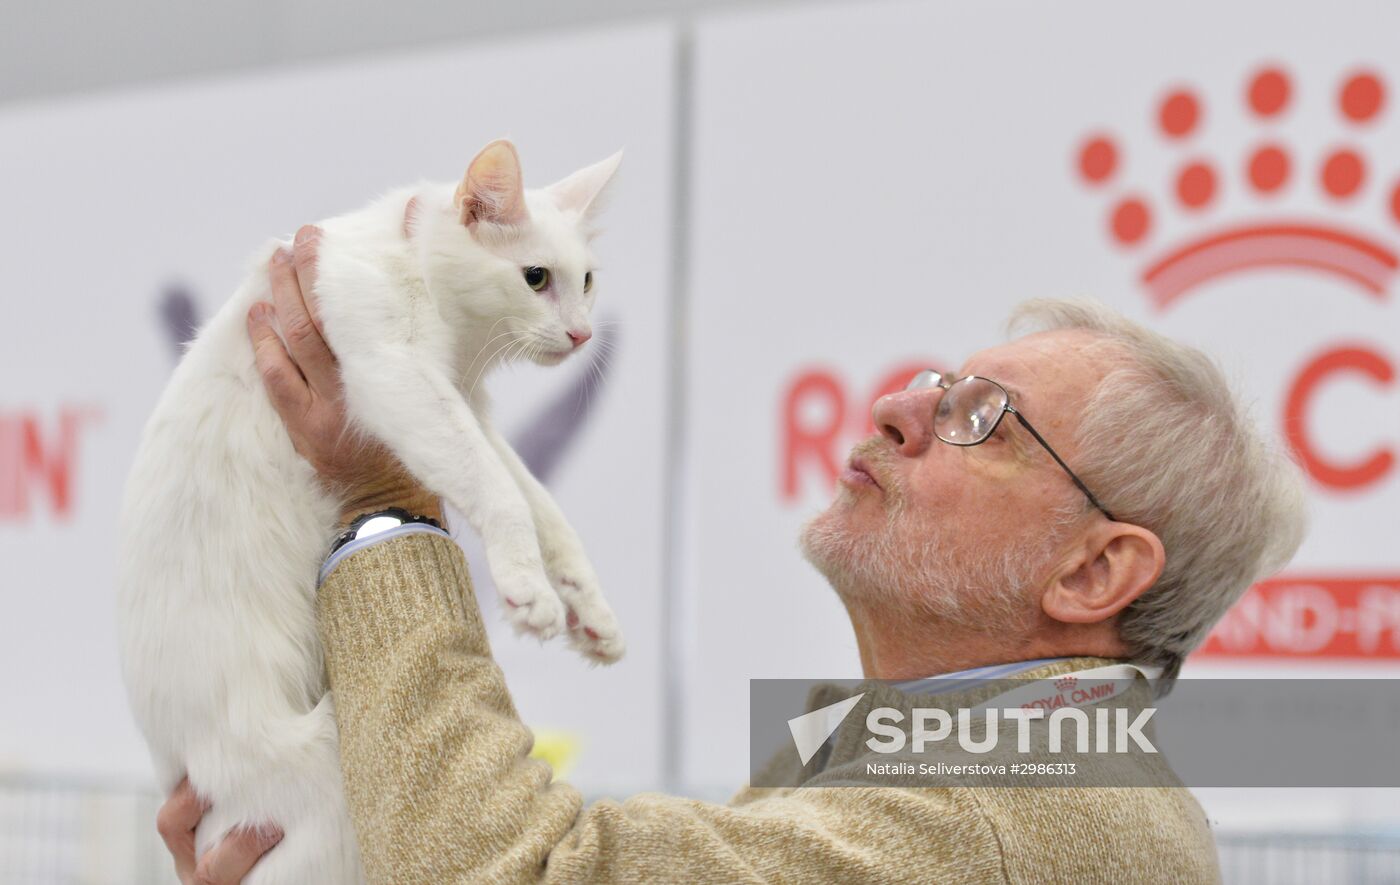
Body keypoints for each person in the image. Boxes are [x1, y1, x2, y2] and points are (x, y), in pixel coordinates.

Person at [156, 226, 1306, 883]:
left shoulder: (989, 814)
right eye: (937, 383)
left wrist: (384, 501)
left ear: (1092, 575)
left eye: (980, 418)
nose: (899, 402)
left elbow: (525, 874)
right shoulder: (955, 765)